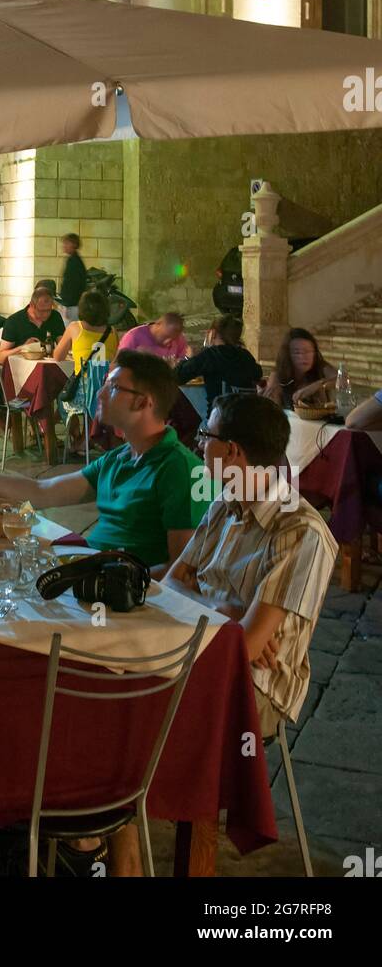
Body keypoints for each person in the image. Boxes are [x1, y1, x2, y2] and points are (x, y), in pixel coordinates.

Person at [164, 393, 337, 737]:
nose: (199, 445)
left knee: (149, 705)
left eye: (206, 435)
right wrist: (220, 610)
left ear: (232, 451)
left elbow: (247, 647)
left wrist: (199, 605)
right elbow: (171, 582)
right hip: (202, 646)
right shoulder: (226, 501)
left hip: (256, 685)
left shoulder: (300, 532)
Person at [0, 350, 198, 574]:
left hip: (122, 588)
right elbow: (41, 492)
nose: (100, 393)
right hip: (91, 563)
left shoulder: (180, 468)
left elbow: (181, 569)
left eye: (113, 387)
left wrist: (100, 578)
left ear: (143, 401)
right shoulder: (119, 458)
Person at [52, 290, 120, 453]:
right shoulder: (112, 331)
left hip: (83, 392)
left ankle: (79, 437)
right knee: (89, 388)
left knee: (62, 398)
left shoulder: (75, 328)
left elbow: (58, 357)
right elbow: (114, 360)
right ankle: (86, 437)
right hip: (107, 392)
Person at [176, 315, 264, 414]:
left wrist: (188, 358)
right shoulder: (245, 355)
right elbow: (258, 375)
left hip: (220, 420)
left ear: (212, 333)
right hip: (247, 416)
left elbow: (177, 377)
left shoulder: (211, 355)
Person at [263, 328, 336, 410]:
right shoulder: (279, 374)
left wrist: (318, 385)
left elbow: (342, 379)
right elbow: (273, 408)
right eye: (296, 352)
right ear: (288, 355)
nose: (302, 357)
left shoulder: (320, 366)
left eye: (307, 351)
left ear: (314, 352)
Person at [0, 287, 65, 366]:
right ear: (31, 305)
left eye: (49, 310)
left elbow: (63, 343)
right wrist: (23, 348)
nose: (46, 315)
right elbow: (1, 358)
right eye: (42, 311)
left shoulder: (55, 316)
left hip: (49, 367)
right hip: (20, 369)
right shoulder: (14, 321)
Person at [117, 313, 188, 365]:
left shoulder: (179, 338)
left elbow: (182, 363)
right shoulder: (134, 336)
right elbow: (119, 365)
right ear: (157, 325)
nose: (167, 342)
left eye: (173, 339)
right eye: (164, 336)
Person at [59, 233, 87, 325]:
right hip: (72, 304)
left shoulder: (74, 262)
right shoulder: (73, 260)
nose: (64, 246)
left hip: (71, 304)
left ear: (74, 245)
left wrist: (66, 304)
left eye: (67, 243)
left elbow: (73, 285)